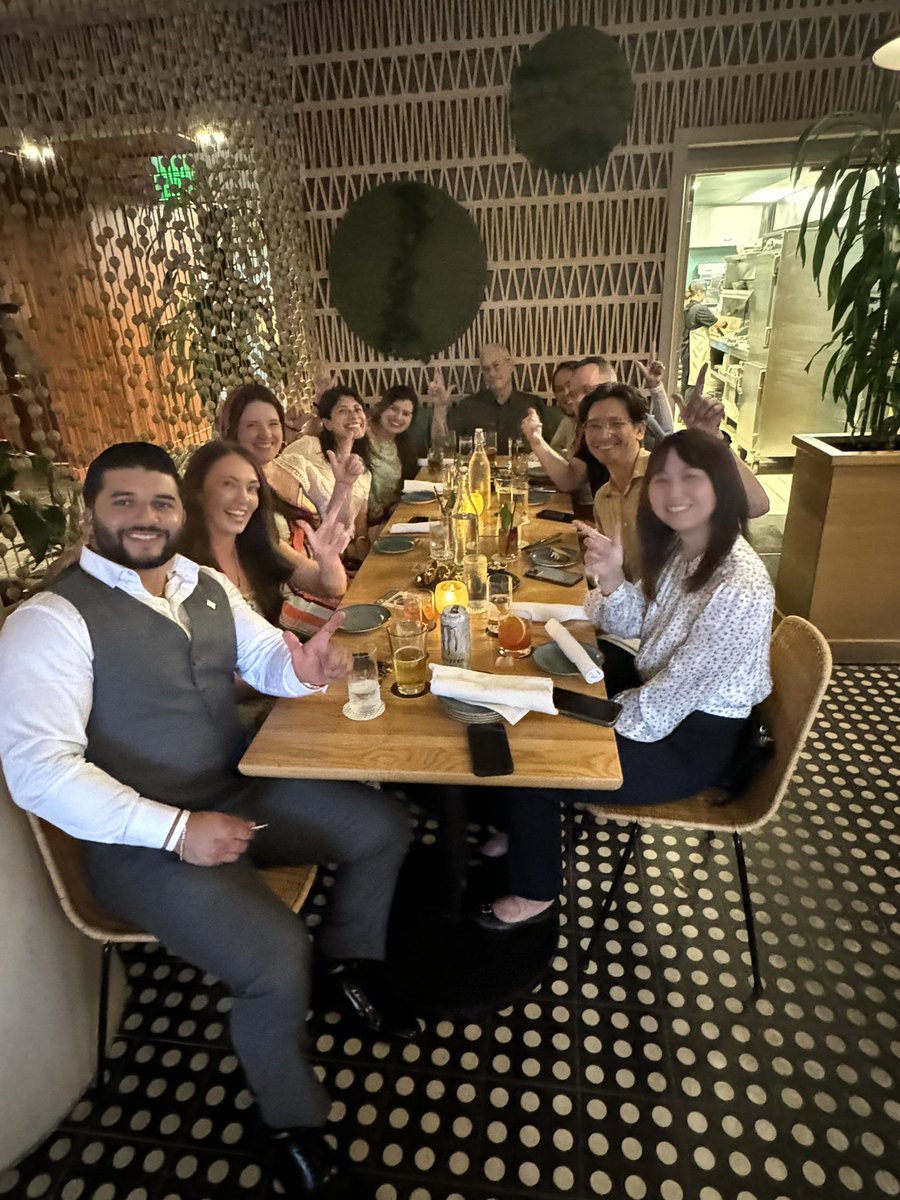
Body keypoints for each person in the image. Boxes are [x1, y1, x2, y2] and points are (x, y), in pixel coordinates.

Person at [0, 442, 414, 1197]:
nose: (146, 517)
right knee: (275, 959)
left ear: (178, 510)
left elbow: (264, 661)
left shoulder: (207, 585)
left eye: (160, 501)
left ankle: (346, 966)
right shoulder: (50, 621)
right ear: (91, 512)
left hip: (235, 794)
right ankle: (289, 1125)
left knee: (381, 828)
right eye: (123, 501)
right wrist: (174, 830)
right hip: (137, 845)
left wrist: (302, 670)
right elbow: (38, 773)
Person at [474, 428, 775, 929]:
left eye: (691, 478)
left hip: (688, 743)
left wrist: (588, 721)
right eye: (662, 479)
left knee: (535, 762)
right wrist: (612, 576)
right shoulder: (687, 549)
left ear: (722, 485)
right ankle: (526, 825)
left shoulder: (739, 584)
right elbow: (643, 624)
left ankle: (536, 890)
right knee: (532, 715)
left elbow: (671, 699)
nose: (673, 492)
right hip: (660, 704)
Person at [576, 380, 769, 583]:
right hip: (635, 601)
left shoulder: (670, 476)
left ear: (640, 430)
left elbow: (757, 505)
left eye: (616, 424)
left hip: (691, 597)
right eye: (594, 426)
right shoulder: (603, 497)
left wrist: (713, 438)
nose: (604, 434)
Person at [180, 440, 349, 624]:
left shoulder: (261, 543)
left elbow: (331, 588)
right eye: (228, 485)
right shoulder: (182, 572)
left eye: (252, 488)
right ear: (197, 491)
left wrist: (329, 561)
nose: (244, 499)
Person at [521, 355, 674, 499]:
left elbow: (670, 443)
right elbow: (571, 478)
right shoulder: (592, 434)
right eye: (573, 395)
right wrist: (536, 441)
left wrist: (656, 389)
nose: (578, 400)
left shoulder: (637, 423)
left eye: (587, 390)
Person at [271, 385, 372, 561]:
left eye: (357, 409)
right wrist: (290, 431)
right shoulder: (309, 447)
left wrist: (362, 544)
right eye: (343, 411)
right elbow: (276, 470)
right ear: (327, 423)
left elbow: (359, 521)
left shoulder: (362, 470)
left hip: (342, 554)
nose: (354, 415)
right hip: (309, 552)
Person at [430, 343, 545, 448]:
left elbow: (550, 449)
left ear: (511, 365)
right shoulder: (469, 406)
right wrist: (439, 407)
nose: (492, 373)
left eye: (496, 365)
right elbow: (442, 446)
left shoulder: (533, 404)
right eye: (486, 369)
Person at [365, 384, 419, 526]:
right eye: (393, 409)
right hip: (360, 521)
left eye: (405, 414)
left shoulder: (403, 443)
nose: (398, 417)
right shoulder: (361, 434)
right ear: (382, 407)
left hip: (388, 518)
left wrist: (395, 506)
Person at [682, 280, 724, 387]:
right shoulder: (700, 309)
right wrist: (726, 323)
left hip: (686, 347)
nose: (704, 295)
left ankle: (684, 396)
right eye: (704, 292)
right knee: (695, 380)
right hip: (695, 350)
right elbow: (717, 323)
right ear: (699, 292)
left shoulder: (688, 307)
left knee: (687, 378)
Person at [543, 359, 578, 448]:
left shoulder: (596, 422)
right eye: (559, 389)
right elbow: (555, 449)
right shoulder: (568, 421)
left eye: (570, 385)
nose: (565, 392)